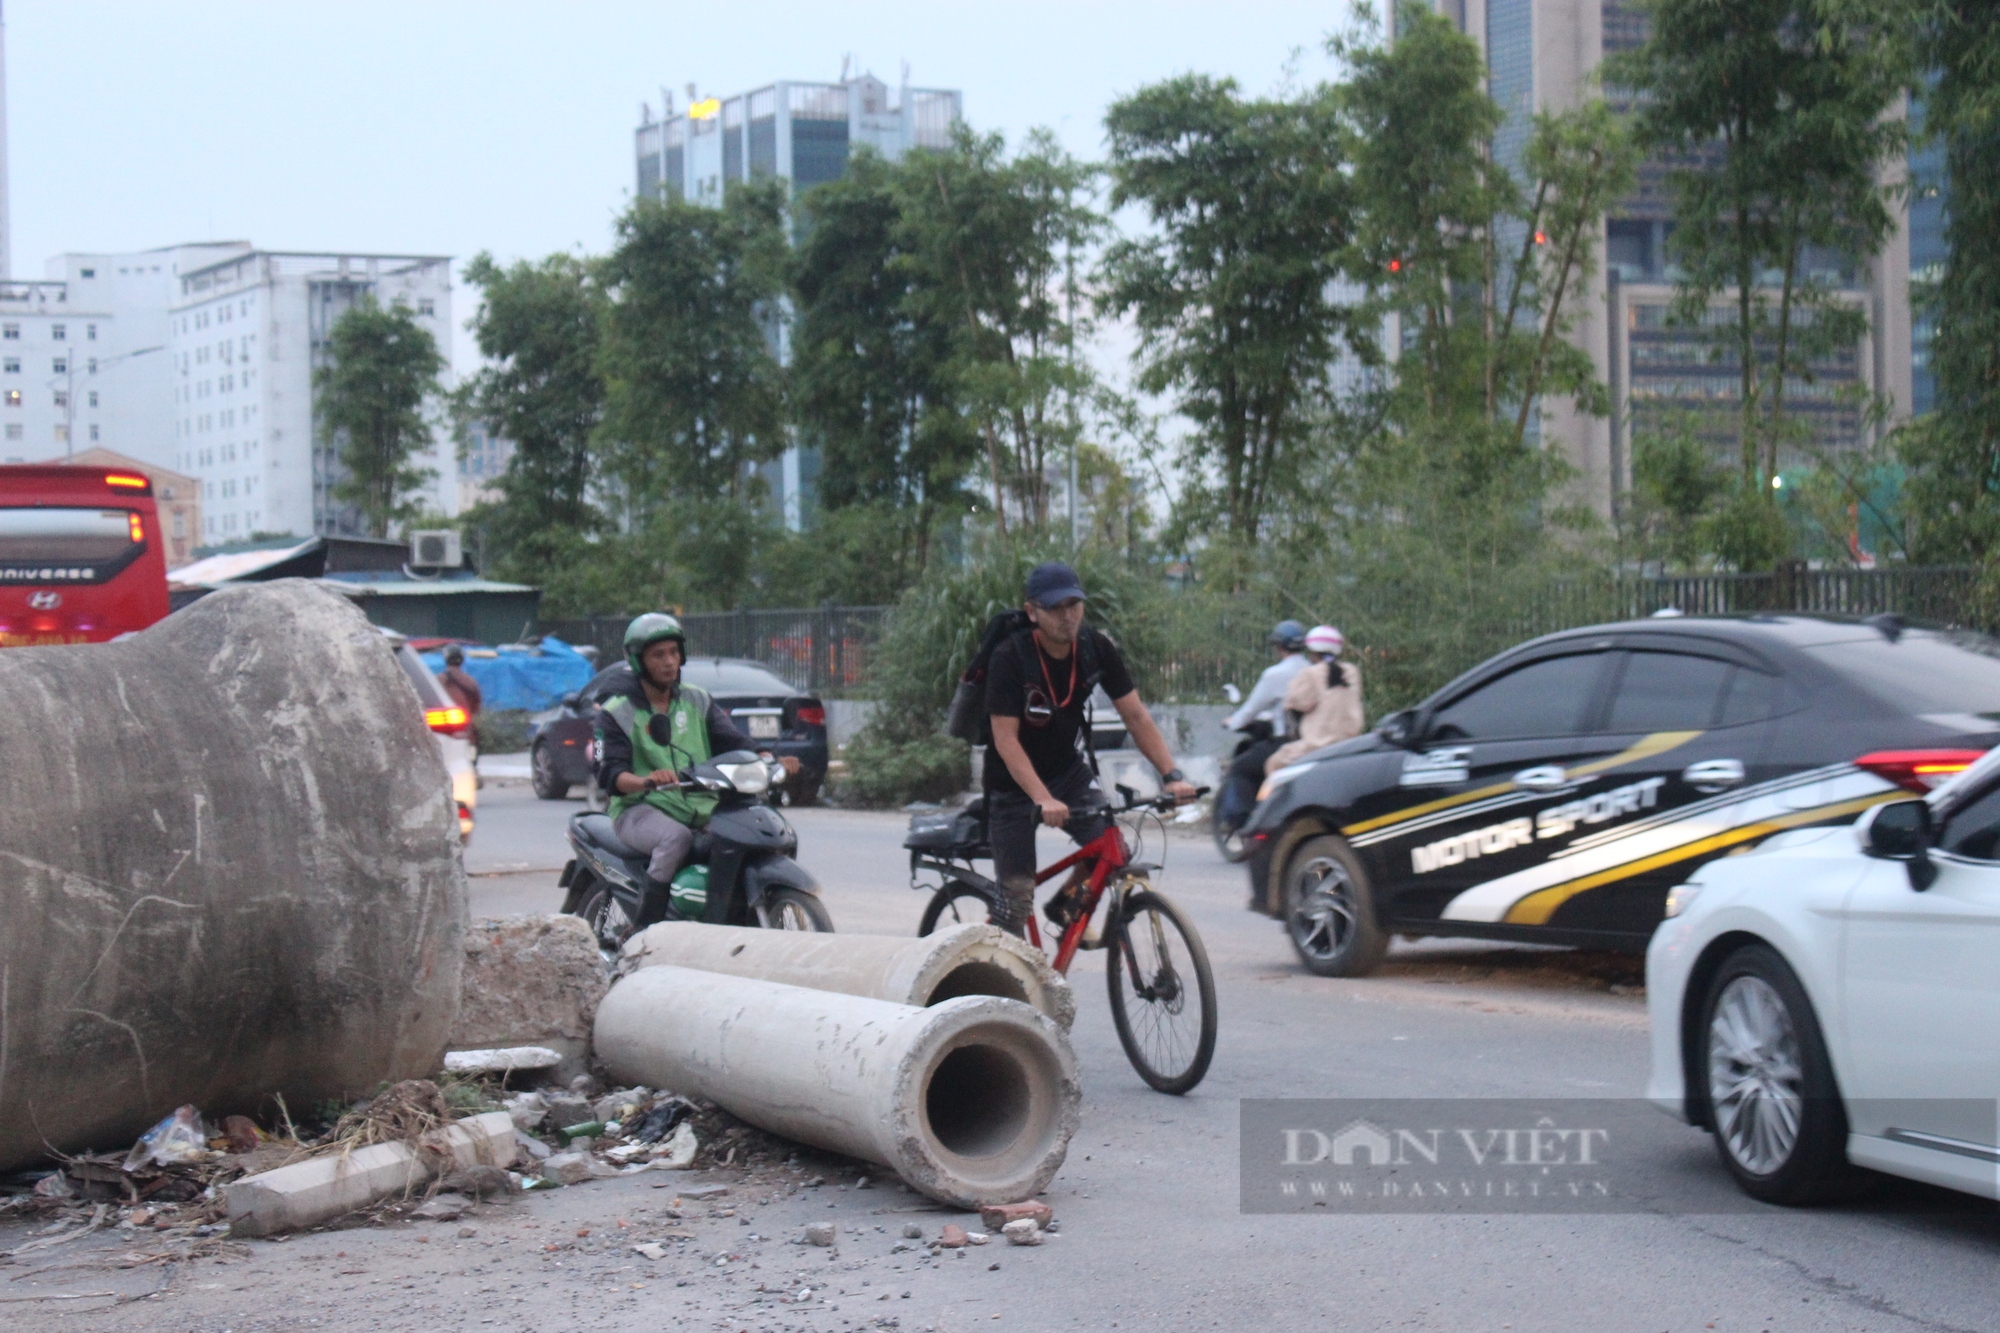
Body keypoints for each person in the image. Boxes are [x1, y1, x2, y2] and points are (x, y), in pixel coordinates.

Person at [984, 562, 1198, 936]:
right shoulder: (1010, 657)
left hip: (1066, 772)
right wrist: (1041, 798)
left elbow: (1135, 716)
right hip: (1012, 785)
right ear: (1032, 612)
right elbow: (1005, 739)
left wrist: (1172, 775)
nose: (1067, 617)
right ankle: (1002, 986)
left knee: (1112, 851)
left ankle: (1064, 909)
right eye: (1055, 608)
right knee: (1015, 902)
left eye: (1074, 605)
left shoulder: (1094, 648)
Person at [593, 613, 799, 929]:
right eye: (658, 655)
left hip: (701, 805)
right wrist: (647, 780)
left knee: (752, 831)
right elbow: (610, 774)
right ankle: (646, 932)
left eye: (674, 653)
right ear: (638, 661)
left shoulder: (696, 700)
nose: (669, 662)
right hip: (641, 809)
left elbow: (734, 741)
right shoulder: (617, 712)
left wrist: (768, 758)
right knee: (675, 839)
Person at [1215, 620, 1310, 831]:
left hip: (1284, 743)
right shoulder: (1313, 671)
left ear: (1279, 646)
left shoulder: (1275, 675)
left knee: (1240, 768)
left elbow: (1251, 710)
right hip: (1313, 741)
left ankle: (1243, 822)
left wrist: (1232, 723)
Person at [1265, 625, 1365, 773]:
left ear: (1312, 652)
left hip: (1317, 746)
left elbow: (1296, 703)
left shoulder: (1310, 674)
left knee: (1273, 764)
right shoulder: (1352, 672)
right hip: (1351, 744)